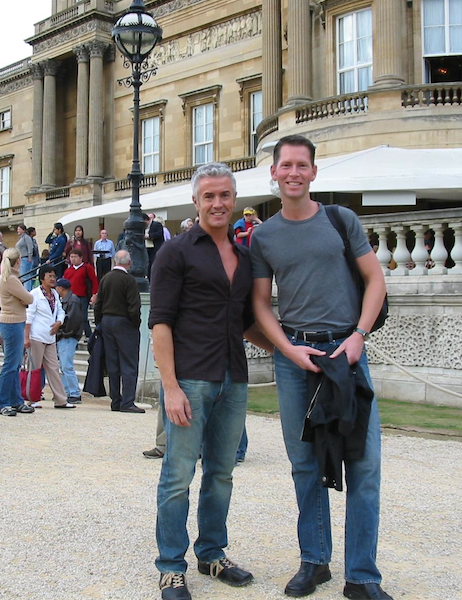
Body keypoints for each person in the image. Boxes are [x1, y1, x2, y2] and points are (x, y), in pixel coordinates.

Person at [250, 135, 390, 600]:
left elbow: (375, 280)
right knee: (304, 463)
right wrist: (286, 350)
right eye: (285, 165)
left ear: (313, 172)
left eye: (301, 165)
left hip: (346, 354)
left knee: (364, 466)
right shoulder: (263, 235)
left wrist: (359, 335)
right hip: (297, 361)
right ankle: (315, 561)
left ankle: (362, 576)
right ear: (274, 172)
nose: (293, 173)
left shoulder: (340, 219)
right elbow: (260, 304)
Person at [150, 162, 273, 600]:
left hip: (232, 379)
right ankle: (170, 565)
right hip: (190, 379)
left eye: (224, 195)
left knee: (221, 473)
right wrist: (170, 386)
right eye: (209, 196)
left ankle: (211, 552)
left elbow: (244, 323)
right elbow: (160, 323)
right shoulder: (176, 252)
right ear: (196, 202)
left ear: (233, 200)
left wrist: (285, 348)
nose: (217, 203)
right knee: (178, 474)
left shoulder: (244, 257)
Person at [93, 249, 144, 414]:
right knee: (129, 362)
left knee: (113, 363)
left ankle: (116, 400)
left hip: (107, 321)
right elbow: (134, 306)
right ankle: (128, 401)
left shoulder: (105, 278)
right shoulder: (129, 280)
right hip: (124, 322)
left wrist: (100, 322)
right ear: (128, 263)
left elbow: (98, 303)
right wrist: (135, 324)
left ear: (115, 261)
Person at [25, 264, 75, 409]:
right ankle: (31, 399)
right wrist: (26, 337)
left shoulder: (54, 294)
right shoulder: (35, 294)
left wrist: (59, 322)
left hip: (50, 336)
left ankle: (61, 399)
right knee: (34, 368)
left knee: (53, 368)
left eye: (54, 276)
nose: (53, 279)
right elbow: (29, 315)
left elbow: (60, 310)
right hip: (36, 336)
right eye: (50, 276)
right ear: (42, 278)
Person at [0, 247, 36, 417]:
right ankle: (3, 402)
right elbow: (29, 298)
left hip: (13, 322)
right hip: (11, 323)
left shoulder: (10, 278)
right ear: (18, 260)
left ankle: (15, 400)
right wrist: (23, 298)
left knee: (14, 364)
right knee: (11, 365)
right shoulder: (11, 279)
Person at [55, 277, 83, 404]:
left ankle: (74, 392)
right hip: (66, 335)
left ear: (61, 288)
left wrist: (63, 333)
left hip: (68, 336)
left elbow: (73, 320)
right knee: (64, 366)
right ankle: (67, 391)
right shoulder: (69, 300)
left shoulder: (72, 301)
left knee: (67, 365)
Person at [63, 248, 98, 340]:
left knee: (83, 317)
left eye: (75, 257)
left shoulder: (87, 268)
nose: (73, 259)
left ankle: (89, 336)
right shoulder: (68, 271)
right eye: (71, 257)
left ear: (81, 258)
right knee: (70, 318)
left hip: (83, 297)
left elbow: (94, 281)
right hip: (70, 298)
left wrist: (94, 294)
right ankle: (72, 335)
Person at [16, 224, 36, 292]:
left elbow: (30, 247)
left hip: (26, 258)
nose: (18, 230)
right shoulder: (20, 238)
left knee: (26, 276)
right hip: (21, 258)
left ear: (23, 230)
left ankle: (27, 290)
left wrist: (30, 257)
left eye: (19, 229)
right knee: (23, 276)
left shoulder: (26, 237)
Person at [145, 213, 165, 278]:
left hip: (155, 248)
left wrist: (149, 236)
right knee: (148, 264)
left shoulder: (157, 225)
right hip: (147, 248)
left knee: (154, 263)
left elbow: (159, 234)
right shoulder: (144, 227)